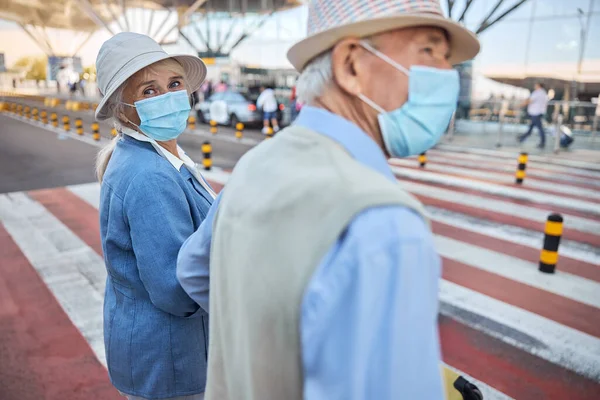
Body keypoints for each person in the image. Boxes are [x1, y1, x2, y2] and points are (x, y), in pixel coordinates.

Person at [177, 0, 480, 399]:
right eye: (428, 52)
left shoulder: (255, 164)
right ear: (351, 64)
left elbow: (192, 270)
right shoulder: (383, 223)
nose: (447, 73)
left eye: (446, 58)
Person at [94, 32, 214, 400]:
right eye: (148, 91)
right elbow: (177, 290)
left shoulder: (154, 158)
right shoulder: (149, 176)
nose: (167, 97)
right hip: (172, 364)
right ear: (122, 108)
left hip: (160, 356)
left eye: (174, 84)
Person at [518, 82, 549, 148]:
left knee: (539, 128)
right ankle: (522, 138)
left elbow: (530, 100)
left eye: (536, 85)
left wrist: (521, 105)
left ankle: (542, 143)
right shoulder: (543, 93)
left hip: (536, 113)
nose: (534, 86)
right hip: (539, 112)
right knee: (531, 127)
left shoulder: (537, 93)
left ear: (538, 85)